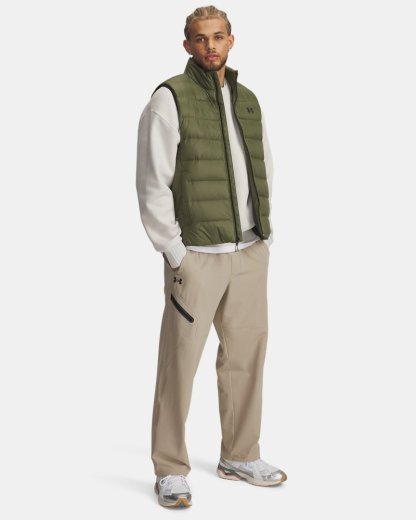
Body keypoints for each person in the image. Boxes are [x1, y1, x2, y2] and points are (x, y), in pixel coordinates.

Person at [136, 5, 287, 508]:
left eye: (218, 37)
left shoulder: (247, 100)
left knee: (245, 358)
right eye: (200, 39)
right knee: (179, 363)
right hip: (197, 257)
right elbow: (152, 182)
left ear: (231, 40)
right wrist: (174, 251)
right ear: (187, 45)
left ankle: (240, 455)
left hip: (248, 250)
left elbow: (263, 166)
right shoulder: (169, 99)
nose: (210, 46)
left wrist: (262, 235)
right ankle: (169, 467)